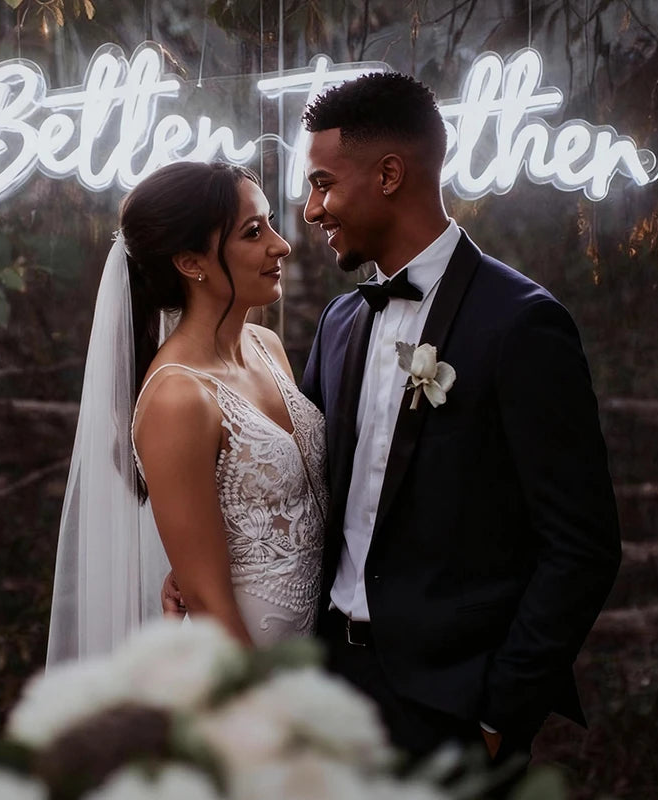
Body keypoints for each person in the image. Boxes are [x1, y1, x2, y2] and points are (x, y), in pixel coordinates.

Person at [164, 71, 621, 762]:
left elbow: (582, 546)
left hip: (452, 714)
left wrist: (500, 713)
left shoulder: (522, 324)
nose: (311, 210)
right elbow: (303, 487)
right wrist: (205, 557)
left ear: (388, 174)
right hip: (327, 689)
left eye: (322, 183)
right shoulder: (342, 322)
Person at [48, 161, 328, 662]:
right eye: (252, 232)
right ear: (190, 262)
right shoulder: (177, 397)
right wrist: (273, 713)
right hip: (251, 664)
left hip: (323, 647)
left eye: (268, 223)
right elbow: (205, 598)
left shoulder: (266, 345)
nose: (280, 245)